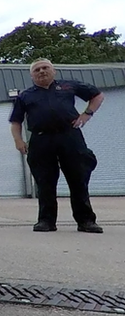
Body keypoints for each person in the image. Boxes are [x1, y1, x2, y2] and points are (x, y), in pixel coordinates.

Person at [9, 58, 105, 233]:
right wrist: (18, 141)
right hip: (41, 140)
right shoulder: (25, 96)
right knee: (44, 182)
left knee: (78, 180)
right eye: (37, 70)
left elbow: (97, 95)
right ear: (31, 76)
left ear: (54, 71)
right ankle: (46, 221)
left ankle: (86, 221)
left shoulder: (69, 86)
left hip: (70, 136)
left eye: (45, 68)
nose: (41, 71)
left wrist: (86, 114)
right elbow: (15, 121)